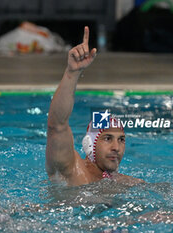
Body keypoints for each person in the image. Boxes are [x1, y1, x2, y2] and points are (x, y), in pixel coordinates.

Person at [46, 26, 144, 187]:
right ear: (89, 144)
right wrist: (71, 73)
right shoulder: (72, 170)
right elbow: (56, 126)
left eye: (121, 140)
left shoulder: (124, 183)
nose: (116, 148)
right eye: (107, 138)